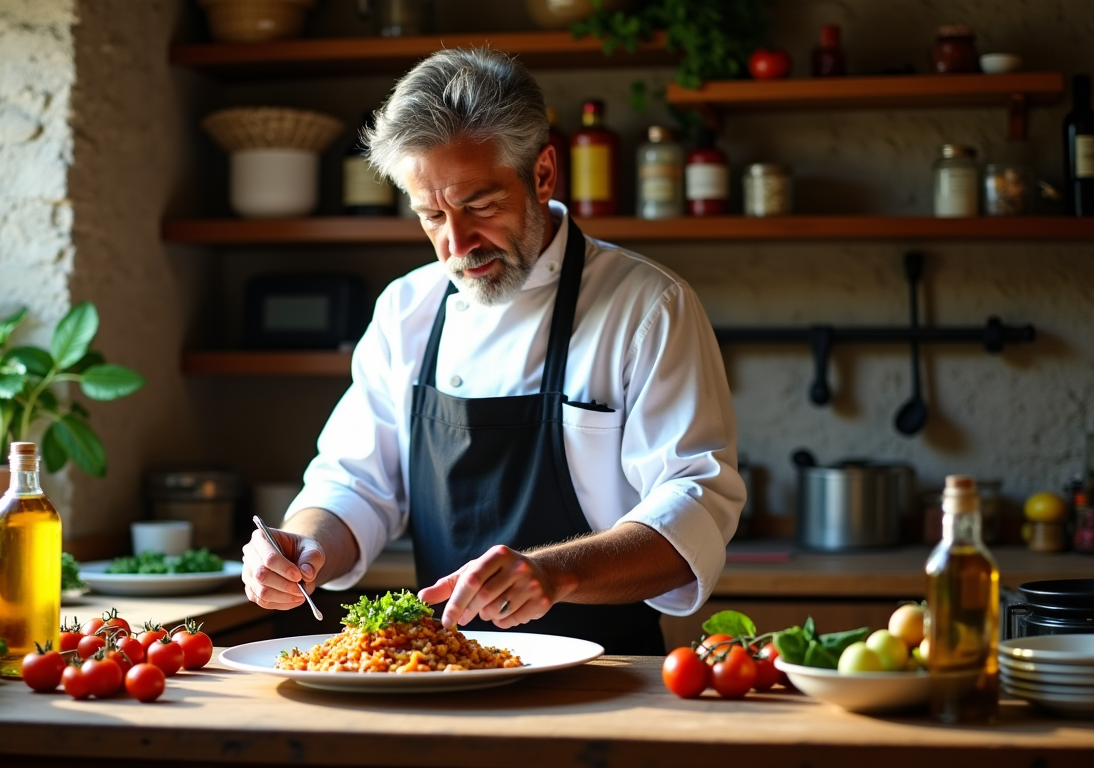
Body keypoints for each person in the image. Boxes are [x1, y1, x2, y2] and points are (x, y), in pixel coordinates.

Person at [242, 48, 744, 654]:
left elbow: (697, 507)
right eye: (431, 215)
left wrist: (556, 573)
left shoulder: (647, 306)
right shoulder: (408, 310)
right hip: (444, 674)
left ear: (542, 174)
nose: (458, 244)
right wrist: (306, 543)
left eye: (480, 205)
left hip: (606, 679)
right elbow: (356, 484)